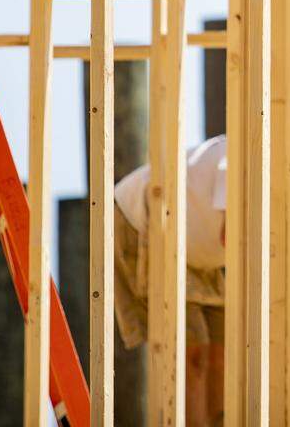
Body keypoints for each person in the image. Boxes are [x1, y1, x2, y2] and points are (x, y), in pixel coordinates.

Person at [113, 135, 228, 427]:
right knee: (192, 352)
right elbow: (235, 236)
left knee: (224, 350)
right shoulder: (241, 157)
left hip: (196, 252)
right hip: (148, 226)